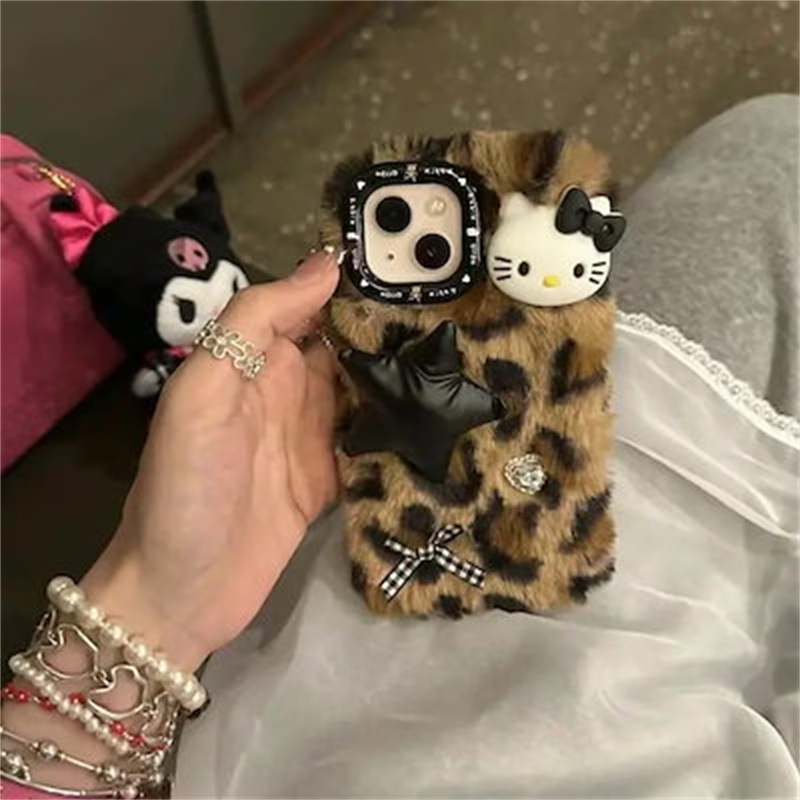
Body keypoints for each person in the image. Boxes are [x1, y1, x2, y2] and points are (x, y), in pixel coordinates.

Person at [1, 95, 798, 799]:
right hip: (616, 623)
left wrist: (153, 609)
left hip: (317, 672)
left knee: (763, 153)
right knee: (769, 150)